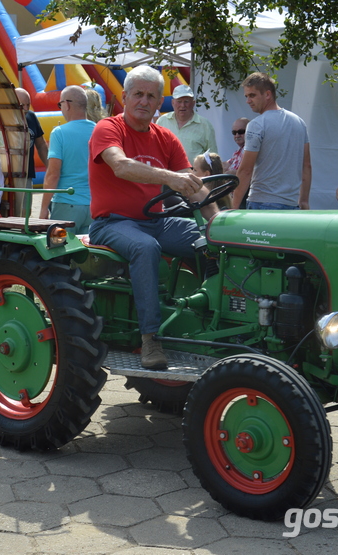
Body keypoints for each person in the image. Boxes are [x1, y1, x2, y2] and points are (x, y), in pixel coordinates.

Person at [88, 66, 215, 370]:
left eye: (151, 96)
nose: (144, 101)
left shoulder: (166, 138)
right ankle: (149, 338)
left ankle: (213, 316)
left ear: (160, 102)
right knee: (146, 248)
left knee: (212, 241)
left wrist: (219, 221)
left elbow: (192, 185)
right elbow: (120, 166)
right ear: (125, 97)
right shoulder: (108, 128)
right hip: (112, 223)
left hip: (156, 221)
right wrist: (169, 177)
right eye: (138, 94)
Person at [233, 73, 311, 210]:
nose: (248, 100)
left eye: (252, 95)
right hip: (292, 205)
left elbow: (245, 170)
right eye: (246, 96)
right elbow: (306, 166)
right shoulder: (299, 122)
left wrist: (232, 207)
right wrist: (304, 201)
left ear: (268, 94)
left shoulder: (256, 125)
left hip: (262, 203)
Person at [39, 86, 95, 233]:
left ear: (67, 104)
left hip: (66, 203)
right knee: (87, 253)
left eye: (60, 104)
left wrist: (44, 208)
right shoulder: (99, 131)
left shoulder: (59, 133)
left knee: (59, 252)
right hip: (93, 206)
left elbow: (53, 175)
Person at [155, 84, 218, 163]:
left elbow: (213, 157)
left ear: (193, 103)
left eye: (186, 101)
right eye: (179, 101)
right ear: (173, 103)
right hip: (168, 172)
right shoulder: (162, 121)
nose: (182, 105)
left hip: (195, 173)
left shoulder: (205, 125)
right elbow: (155, 148)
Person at [15, 88, 48, 183]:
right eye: (22, 105)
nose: (25, 109)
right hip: (6, 175)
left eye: (28, 105)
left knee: (26, 198)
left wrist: (49, 166)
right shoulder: (3, 119)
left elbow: (41, 145)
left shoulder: (31, 116)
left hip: (27, 175)